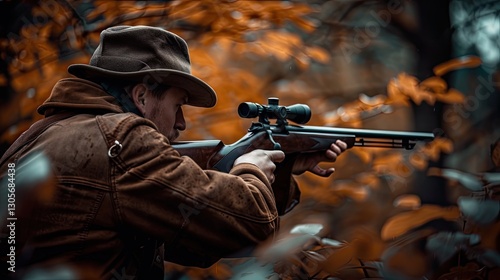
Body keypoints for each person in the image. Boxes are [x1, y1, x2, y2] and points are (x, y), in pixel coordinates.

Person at [0, 25, 347, 279]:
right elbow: (247, 227)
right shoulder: (124, 136)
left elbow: (196, 242)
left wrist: (282, 165)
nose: (181, 123)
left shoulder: (35, 138)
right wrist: (251, 167)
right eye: (178, 105)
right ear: (141, 96)